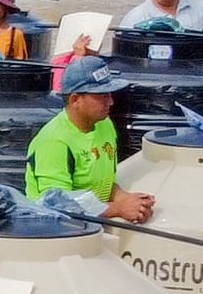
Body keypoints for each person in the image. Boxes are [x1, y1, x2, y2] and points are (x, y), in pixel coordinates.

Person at [25, 56, 154, 223]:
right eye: (101, 96)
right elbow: (57, 204)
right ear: (75, 100)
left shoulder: (104, 125)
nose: (111, 101)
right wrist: (119, 209)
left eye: (109, 94)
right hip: (56, 231)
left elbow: (103, 184)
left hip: (94, 224)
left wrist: (128, 199)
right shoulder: (54, 142)